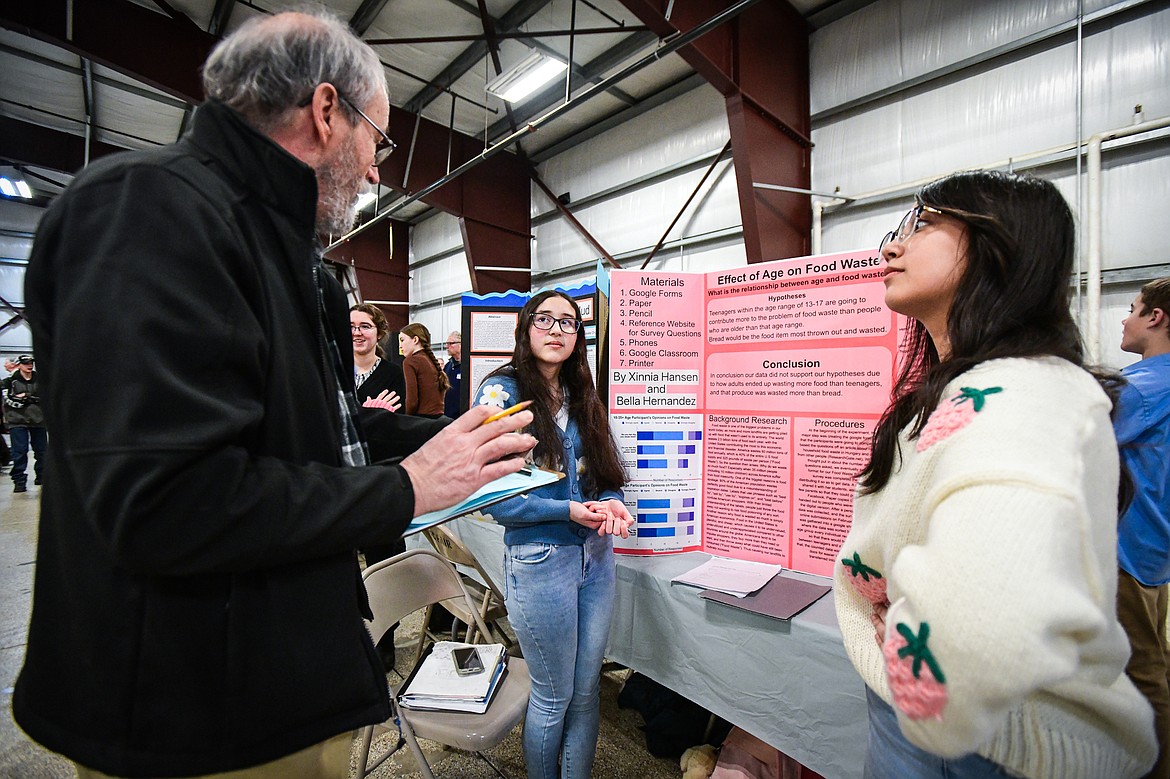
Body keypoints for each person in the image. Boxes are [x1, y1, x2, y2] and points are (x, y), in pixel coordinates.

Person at [13, 11, 535, 779]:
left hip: (267, 689)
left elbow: (292, 439)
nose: (375, 171)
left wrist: (426, 447)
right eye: (377, 141)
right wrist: (405, 487)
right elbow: (168, 500)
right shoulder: (151, 209)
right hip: (196, 720)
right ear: (327, 112)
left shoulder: (272, 248)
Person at [834, 170, 1157, 779]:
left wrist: (929, 698)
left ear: (998, 246)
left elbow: (982, 616)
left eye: (924, 225)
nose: (891, 248)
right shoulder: (959, 388)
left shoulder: (1024, 388)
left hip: (983, 741)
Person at [473, 290, 634, 779]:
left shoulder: (583, 393)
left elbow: (606, 476)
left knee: (586, 694)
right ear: (525, 329)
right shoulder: (500, 395)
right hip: (540, 561)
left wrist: (613, 504)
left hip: (597, 559)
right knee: (553, 694)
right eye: (545, 319)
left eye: (569, 322)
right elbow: (497, 499)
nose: (557, 330)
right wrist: (569, 510)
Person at [1115, 277, 1170, 779]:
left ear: (1156, 317)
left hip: (1126, 552)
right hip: (1155, 552)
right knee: (1153, 659)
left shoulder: (1144, 386)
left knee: (1142, 671)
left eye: (1133, 308)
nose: (1125, 318)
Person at [1, 354, 46, 492]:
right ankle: (19, 480)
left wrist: (26, 397)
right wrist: (25, 400)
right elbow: (8, 399)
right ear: (19, 364)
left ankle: (41, 475)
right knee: (19, 451)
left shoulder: (41, 380)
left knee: (42, 451)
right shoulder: (9, 382)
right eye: (26, 362)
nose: (29, 365)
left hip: (38, 420)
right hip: (17, 420)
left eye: (31, 362)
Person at [351, 302, 405, 408]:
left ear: (379, 333)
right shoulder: (332, 371)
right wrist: (371, 412)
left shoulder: (392, 374)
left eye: (365, 326)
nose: (357, 333)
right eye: (351, 326)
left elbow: (396, 419)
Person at [399, 322, 447, 417]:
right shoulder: (430, 359)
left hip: (421, 419)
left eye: (402, 340)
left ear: (415, 340)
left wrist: (406, 419)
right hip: (439, 418)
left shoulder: (410, 361)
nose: (400, 346)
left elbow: (412, 400)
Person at [443, 329, 463, 418]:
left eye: (450, 343)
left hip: (462, 415)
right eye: (446, 343)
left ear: (461, 344)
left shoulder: (468, 366)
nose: (447, 346)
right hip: (447, 415)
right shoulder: (448, 366)